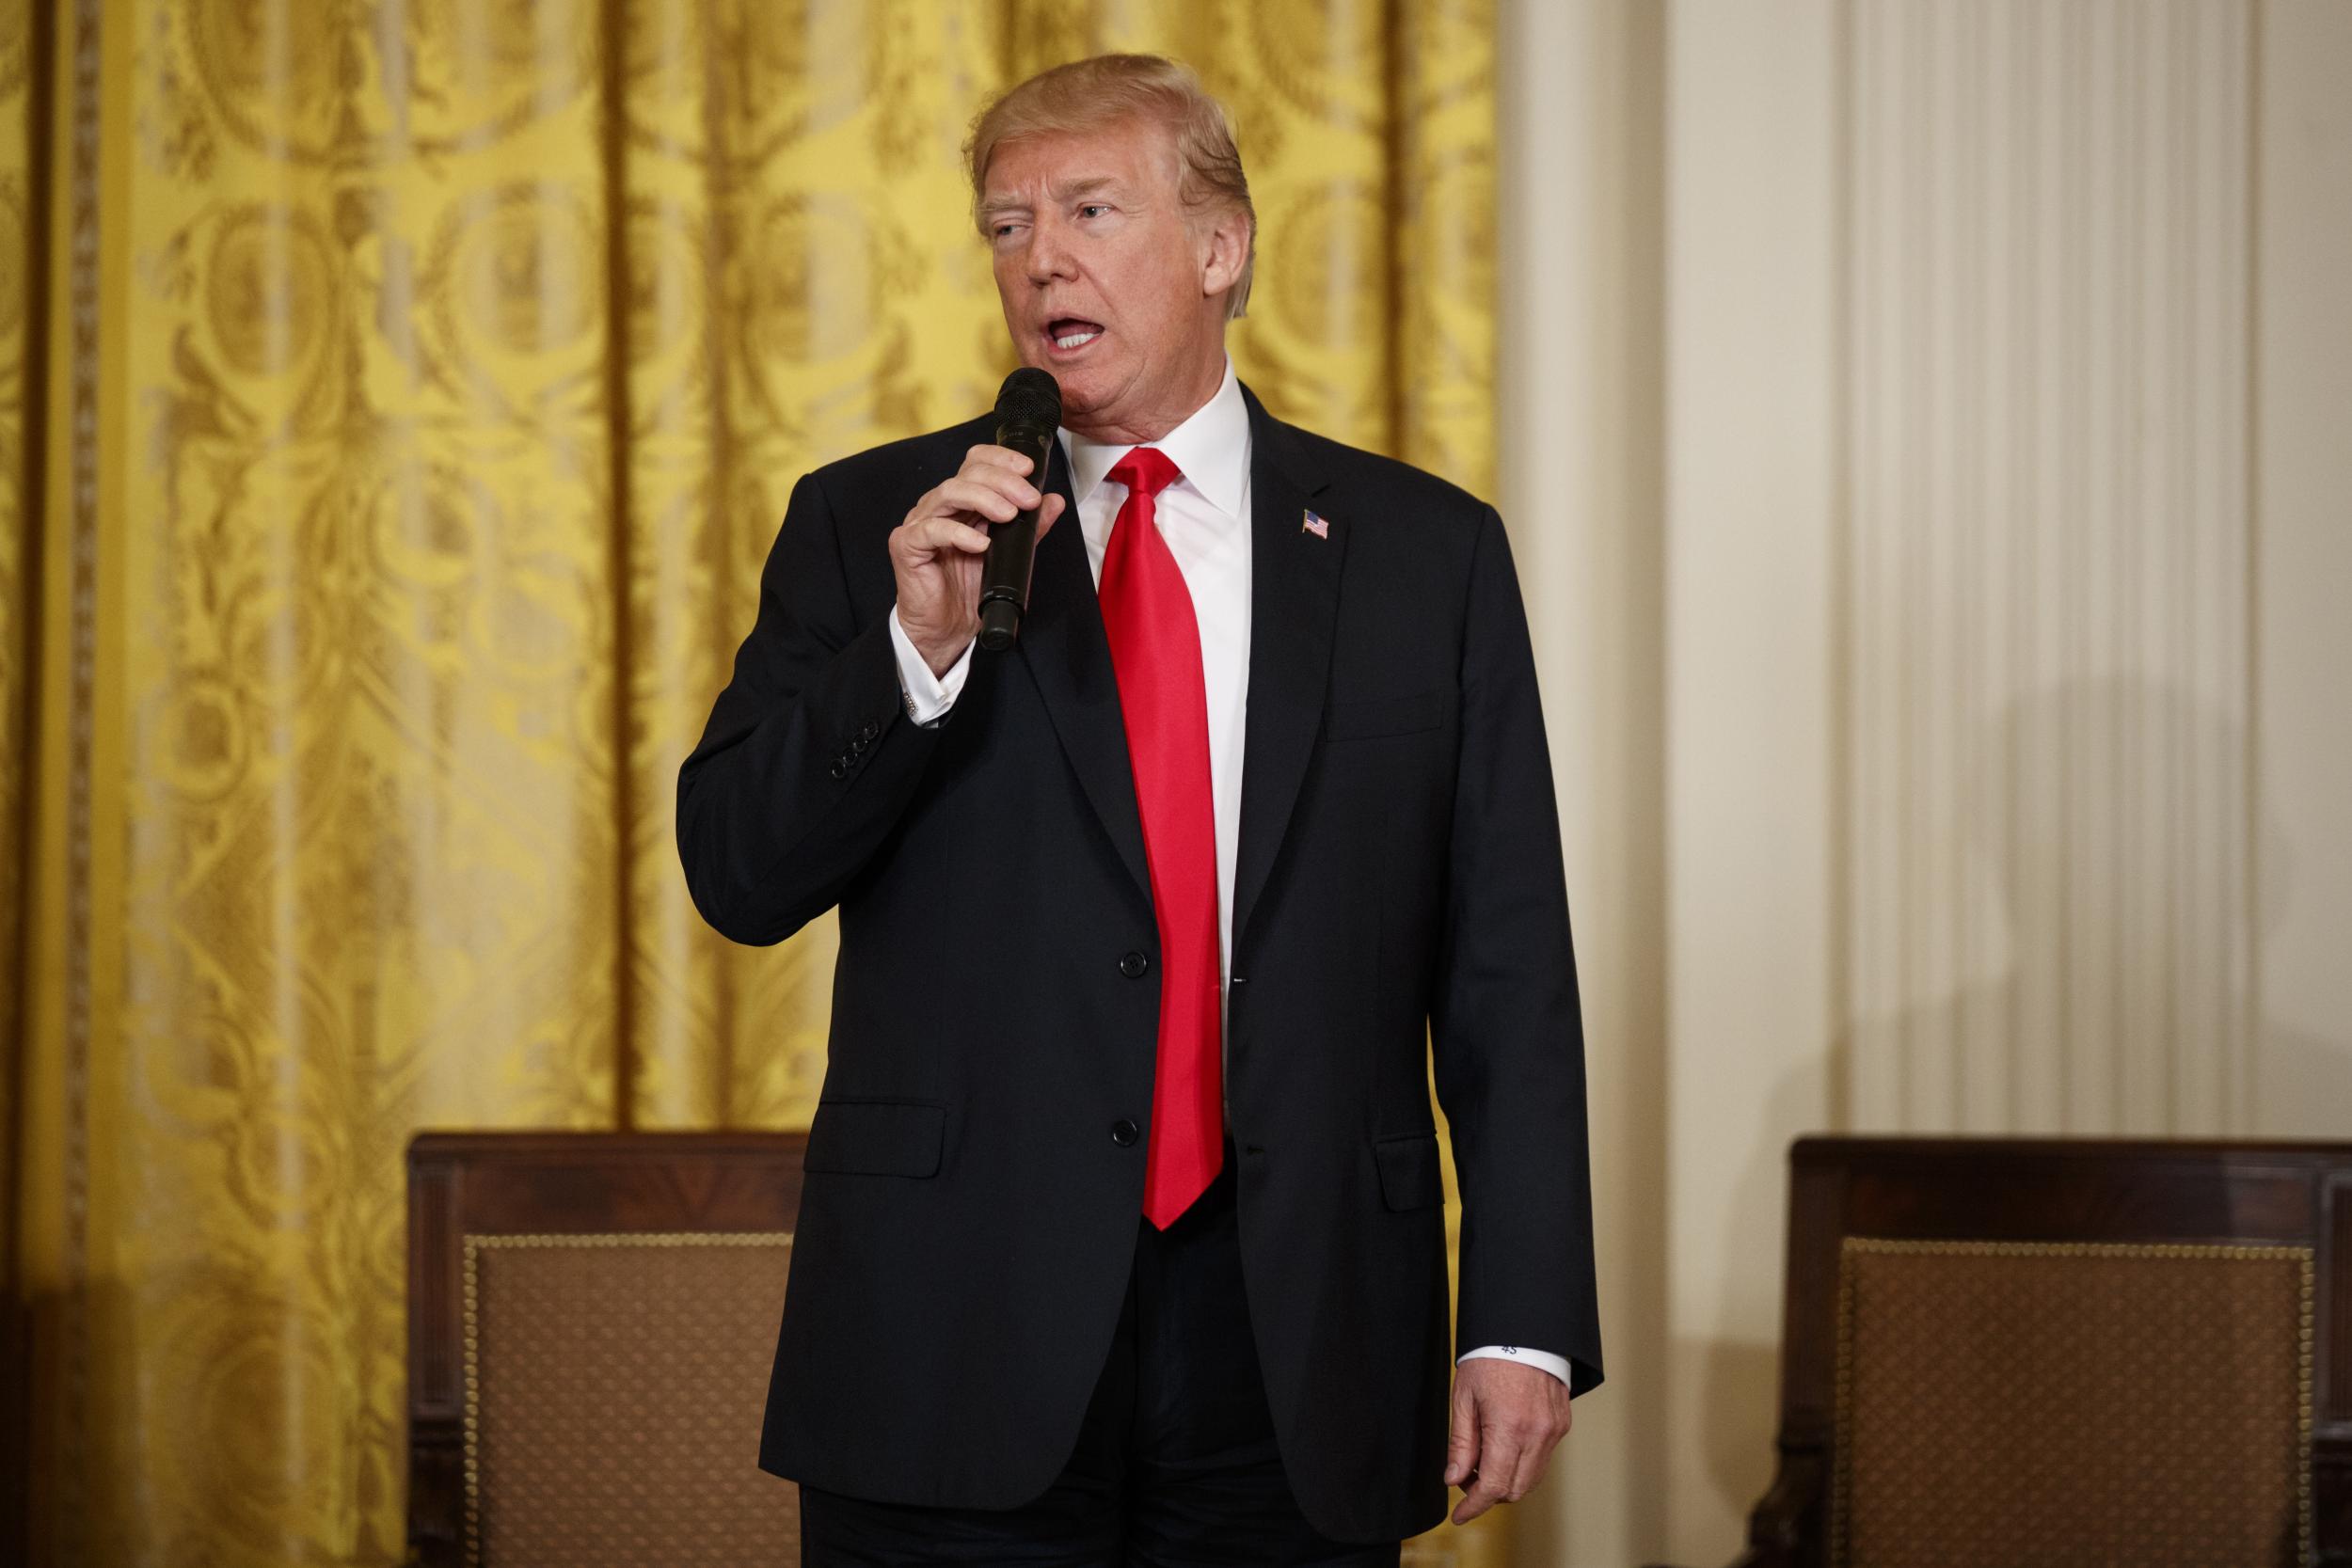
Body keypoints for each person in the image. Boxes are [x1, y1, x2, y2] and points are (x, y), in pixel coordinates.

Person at [676, 52, 1601, 1566]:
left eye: (1090, 210)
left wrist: (1526, 1319)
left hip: (1296, 1339)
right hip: (953, 1330)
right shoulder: (873, 526)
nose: (1041, 259)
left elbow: (1508, 963)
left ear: (1220, 247)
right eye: (1005, 225)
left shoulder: (1426, 555)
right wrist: (915, 651)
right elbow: (736, 871)